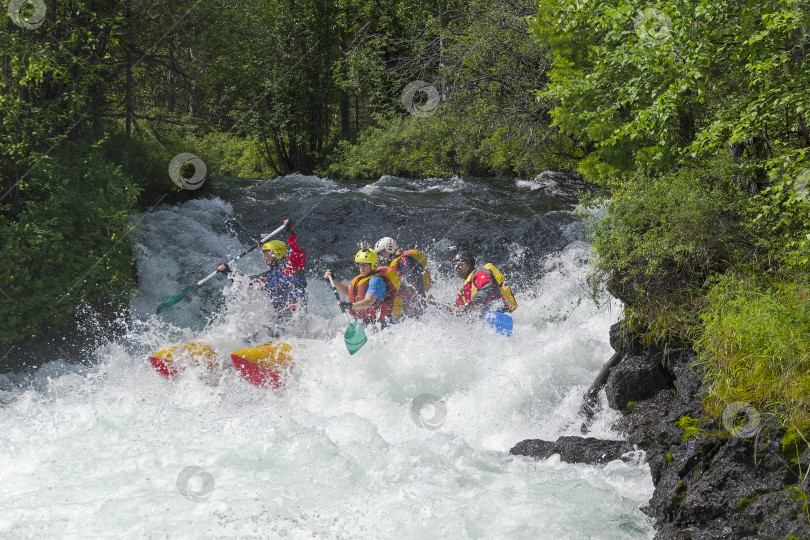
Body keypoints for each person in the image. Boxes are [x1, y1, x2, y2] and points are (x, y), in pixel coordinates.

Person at [218, 219, 307, 319]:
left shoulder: (293, 266)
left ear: (276, 254)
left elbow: (298, 251)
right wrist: (228, 272)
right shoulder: (269, 276)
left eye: (267, 256)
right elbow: (247, 283)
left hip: (296, 315)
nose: (265, 259)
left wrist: (289, 231)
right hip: (280, 317)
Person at [324, 248, 403, 326]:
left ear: (373, 264)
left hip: (378, 324)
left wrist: (349, 305)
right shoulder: (362, 278)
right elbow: (348, 290)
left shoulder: (376, 280)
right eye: (359, 264)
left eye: (365, 264)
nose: (361, 267)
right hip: (364, 322)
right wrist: (333, 280)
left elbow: (368, 301)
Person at [374, 237, 431, 317]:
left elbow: (411, 280)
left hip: (414, 302)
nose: (382, 256)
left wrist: (397, 288)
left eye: (383, 253)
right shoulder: (390, 264)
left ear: (389, 249)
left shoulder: (403, 259)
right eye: (380, 254)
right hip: (404, 303)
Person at [451, 251, 517, 316]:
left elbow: (486, 290)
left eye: (460, 265)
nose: (458, 269)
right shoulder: (463, 290)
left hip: (502, 311)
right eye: (455, 267)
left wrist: (469, 305)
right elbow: (458, 307)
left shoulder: (480, 273)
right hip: (486, 315)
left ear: (469, 264)